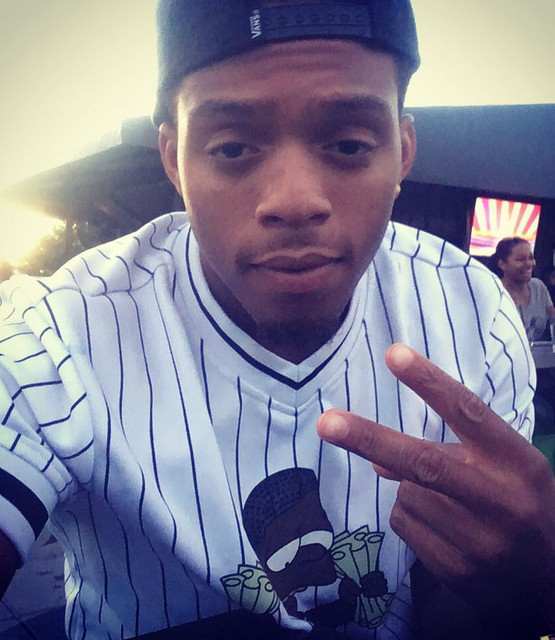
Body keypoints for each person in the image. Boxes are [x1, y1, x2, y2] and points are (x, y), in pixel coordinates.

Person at [0, 2, 553, 639]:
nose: (295, 201)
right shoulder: (65, 331)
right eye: (233, 147)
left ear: (402, 153)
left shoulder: (473, 312)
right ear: (174, 160)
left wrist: (525, 590)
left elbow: (452, 605)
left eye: (349, 144)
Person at [491, 237, 555, 341]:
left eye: (531, 258)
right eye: (520, 259)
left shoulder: (538, 287)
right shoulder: (494, 293)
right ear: (502, 264)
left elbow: (553, 318)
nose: (529, 264)